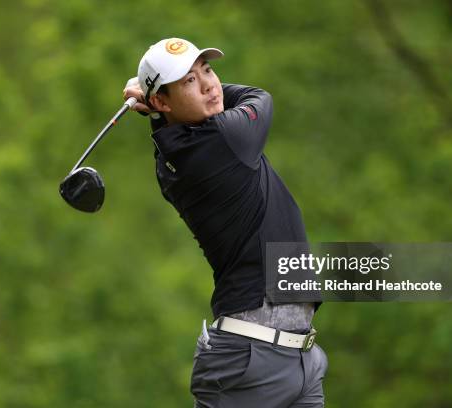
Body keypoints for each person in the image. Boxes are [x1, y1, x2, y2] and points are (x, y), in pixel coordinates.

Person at [123, 38, 328, 407]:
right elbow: (257, 97)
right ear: (162, 101)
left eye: (208, 71)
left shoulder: (179, 144)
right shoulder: (224, 138)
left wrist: (155, 104)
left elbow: (187, 113)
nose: (209, 85)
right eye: (188, 81)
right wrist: (151, 100)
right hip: (250, 362)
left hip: (299, 359)